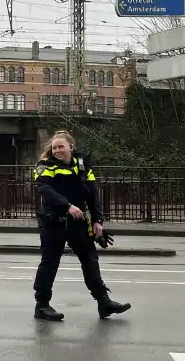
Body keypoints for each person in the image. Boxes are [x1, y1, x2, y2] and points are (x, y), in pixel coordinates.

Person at [31, 130, 130, 322]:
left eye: (61, 146)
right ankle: (41, 305)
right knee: (50, 263)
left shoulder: (82, 165)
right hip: (53, 221)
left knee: (90, 259)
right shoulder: (45, 165)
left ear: (71, 147)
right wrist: (67, 206)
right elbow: (45, 189)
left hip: (77, 222)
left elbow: (93, 194)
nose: (57, 150)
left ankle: (104, 302)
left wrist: (97, 221)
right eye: (54, 147)